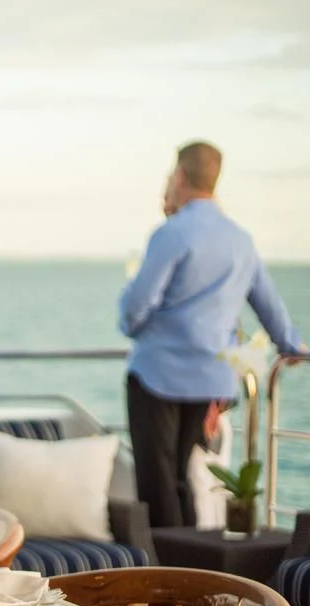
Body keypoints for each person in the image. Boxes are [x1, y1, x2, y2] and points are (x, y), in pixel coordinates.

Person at [119, 141, 304, 528]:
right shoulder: (240, 239)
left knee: (157, 484)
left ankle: (163, 563)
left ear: (180, 176)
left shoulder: (171, 234)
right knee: (184, 479)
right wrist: (290, 345)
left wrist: (129, 323)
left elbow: (136, 307)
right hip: (210, 380)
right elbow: (268, 304)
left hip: (158, 376)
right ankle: (188, 561)